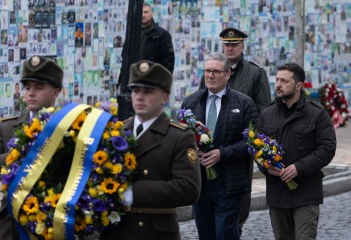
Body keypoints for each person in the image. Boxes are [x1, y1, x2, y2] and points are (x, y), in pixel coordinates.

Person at [99, 60, 201, 240]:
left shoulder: (178, 136)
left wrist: (132, 192)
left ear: (164, 97)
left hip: (154, 232)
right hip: (116, 231)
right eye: (136, 91)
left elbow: (188, 188)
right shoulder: (117, 131)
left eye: (148, 91)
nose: (139, 97)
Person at [199, 27, 271, 234]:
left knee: (236, 203)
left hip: (238, 148)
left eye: (234, 44)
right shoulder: (210, 72)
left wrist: (254, 142)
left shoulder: (255, 73)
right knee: (206, 206)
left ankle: (233, 229)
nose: (230, 48)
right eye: (226, 44)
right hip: (209, 147)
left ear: (242, 46)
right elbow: (198, 104)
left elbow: (264, 109)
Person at [181, 53, 259, 240]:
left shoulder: (244, 103)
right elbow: (180, 138)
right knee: (205, 233)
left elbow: (252, 142)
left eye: (216, 71)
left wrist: (221, 154)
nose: (211, 75)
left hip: (230, 181)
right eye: (207, 71)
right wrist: (193, 150)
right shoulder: (190, 102)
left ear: (228, 74)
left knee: (225, 232)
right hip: (200, 182)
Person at [257, 63, 336, 240]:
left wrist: (298, 168)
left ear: (298, 85)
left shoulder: (316, 113)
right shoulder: (267, 114)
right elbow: (257, 150)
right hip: (277, 193)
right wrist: (265, 167)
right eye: (277, 80)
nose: (278, 85)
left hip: (306, 193)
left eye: (284, 81)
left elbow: (327, 149)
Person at [0, 55, 64, 240]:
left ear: (56, 92)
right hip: (12, 225)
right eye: (27, 87)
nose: (30, 93)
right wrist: (19, 153)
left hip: (53, 221)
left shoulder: (69, 127)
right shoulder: (9, 127)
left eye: (39, 88)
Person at [140, 3, 175, 73]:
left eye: (146, 12)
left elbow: (169, 62)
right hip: (135, 77)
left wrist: (162, 81)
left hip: (154, 79)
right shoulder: (134, 34)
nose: (143, 15)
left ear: (151, 13)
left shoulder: (162, 35)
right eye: (141, 12)